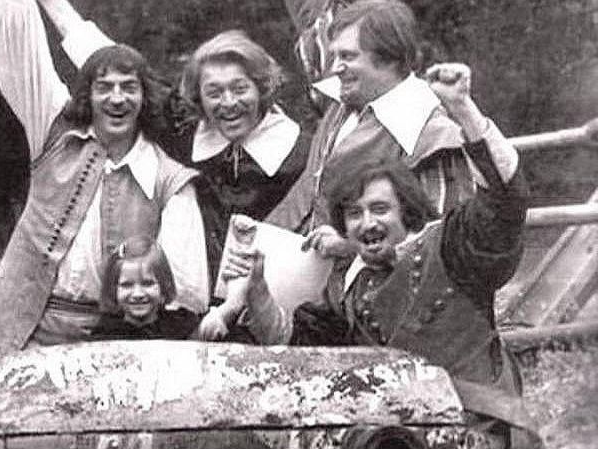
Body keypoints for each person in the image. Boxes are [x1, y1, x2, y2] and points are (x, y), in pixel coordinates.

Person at [229, 62, 541, 448]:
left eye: (379, 209)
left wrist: (463, 109)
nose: (367, 223)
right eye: (354, 214)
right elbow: (302, 345)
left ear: (406, 211)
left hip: (478, 428)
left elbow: (505, 200)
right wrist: (258, 293)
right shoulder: (346, 287)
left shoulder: (453, 249)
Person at [37, 2, 313, 341]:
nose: (228, 103)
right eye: (214, 92)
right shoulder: (185, 131)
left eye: (240, 89)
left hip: (266, 314)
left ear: (262, 87)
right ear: (199, 97)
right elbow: (108, 59)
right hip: (184, 318)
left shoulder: (299, 154)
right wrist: (53, 6)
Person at [0, 0, 209, 356]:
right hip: (26, 331)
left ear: (145, 97)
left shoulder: (171, 181)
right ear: (87, 94)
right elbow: (15, 50)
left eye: (129, 87)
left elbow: (185, 295)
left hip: (119, 342)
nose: (117, 98)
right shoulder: (54, 136)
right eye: (104, 87)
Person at [267, 0, 478, 238]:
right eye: (335, 56)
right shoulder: (340, 106)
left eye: (347, 56)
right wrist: (258, 236)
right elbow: (307, 196)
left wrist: (350, 247)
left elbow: (441, 238)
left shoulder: (431, 134)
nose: (335, 68)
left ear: (389, 58)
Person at [92, 235, 201, 340]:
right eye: (127, 285)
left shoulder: (182, 326)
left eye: (147, 284)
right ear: (113, 289)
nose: (138, 294)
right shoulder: (106, 332)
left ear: (164, 285)